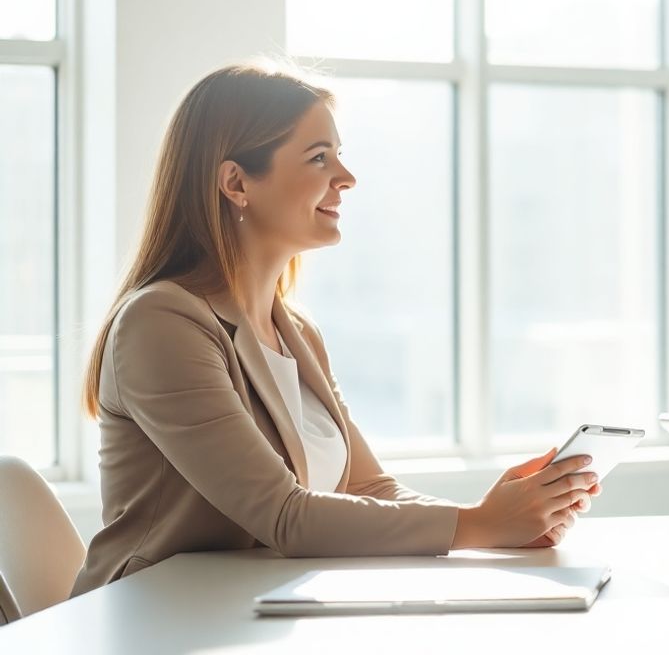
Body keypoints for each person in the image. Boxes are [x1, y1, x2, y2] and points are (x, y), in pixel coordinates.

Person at [72, 62, 599, 596]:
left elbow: (368, 486)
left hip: (248, 612)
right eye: (319, 157)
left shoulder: (297, 331)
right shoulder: (161, 322)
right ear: (236, 182)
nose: (346, 178)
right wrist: (481, 524)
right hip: (150, 624)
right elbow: (284, 515)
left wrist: (499, 517)